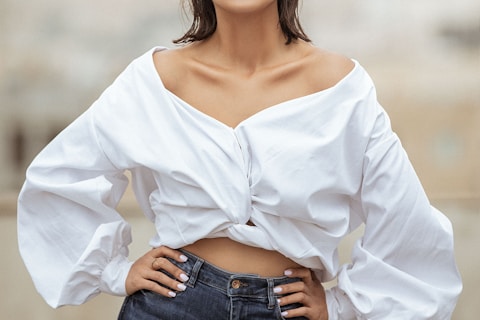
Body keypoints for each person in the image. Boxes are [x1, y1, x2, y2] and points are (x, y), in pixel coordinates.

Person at [17, 1, 462, 319]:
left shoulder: (343, 89)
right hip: (170, 305)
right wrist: (115, 271)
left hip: (290, 310)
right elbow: (58, 180)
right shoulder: (152, 82)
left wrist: (342, 305)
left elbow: (408, 227)